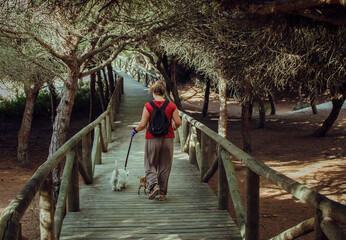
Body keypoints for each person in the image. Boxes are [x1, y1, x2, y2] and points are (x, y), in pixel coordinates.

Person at [132, 81, 182, 201]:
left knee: (150, 163)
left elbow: (143, 124)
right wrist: (173, 127)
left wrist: (135, 130)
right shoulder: (171, 106)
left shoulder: (148, 106)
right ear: (164, 93)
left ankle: (154, 186)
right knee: (165, 166)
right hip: (168, 138)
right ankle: (162, 193)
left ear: (153, 92)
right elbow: (178, 122)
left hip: (152, 138)